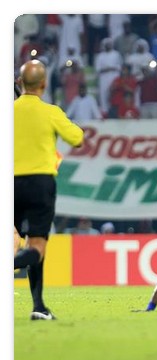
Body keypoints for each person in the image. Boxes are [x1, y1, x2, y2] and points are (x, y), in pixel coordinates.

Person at [14, 59, 85, 320]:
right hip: (40, 183)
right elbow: (77, 138)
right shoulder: (50, 111)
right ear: (44, 84)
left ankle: (39, 306)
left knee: (19, 242)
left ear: (20, 83)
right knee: (37, 248)